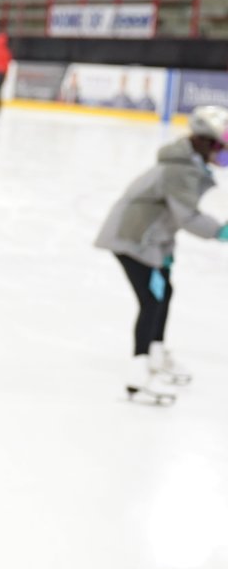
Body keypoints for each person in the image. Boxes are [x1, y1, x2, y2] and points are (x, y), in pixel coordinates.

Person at [94, 105, 228, 401]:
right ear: (209, 142)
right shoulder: (181, 170)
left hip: (149, 239)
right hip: (133, 239)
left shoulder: (188, 164)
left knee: (164, 292)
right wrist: (220, 230)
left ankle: (155, 355)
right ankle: (137, 378)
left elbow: (166, 215)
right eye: (223, 146)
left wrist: (165, 252)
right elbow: (186, 216)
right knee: (152, 300)